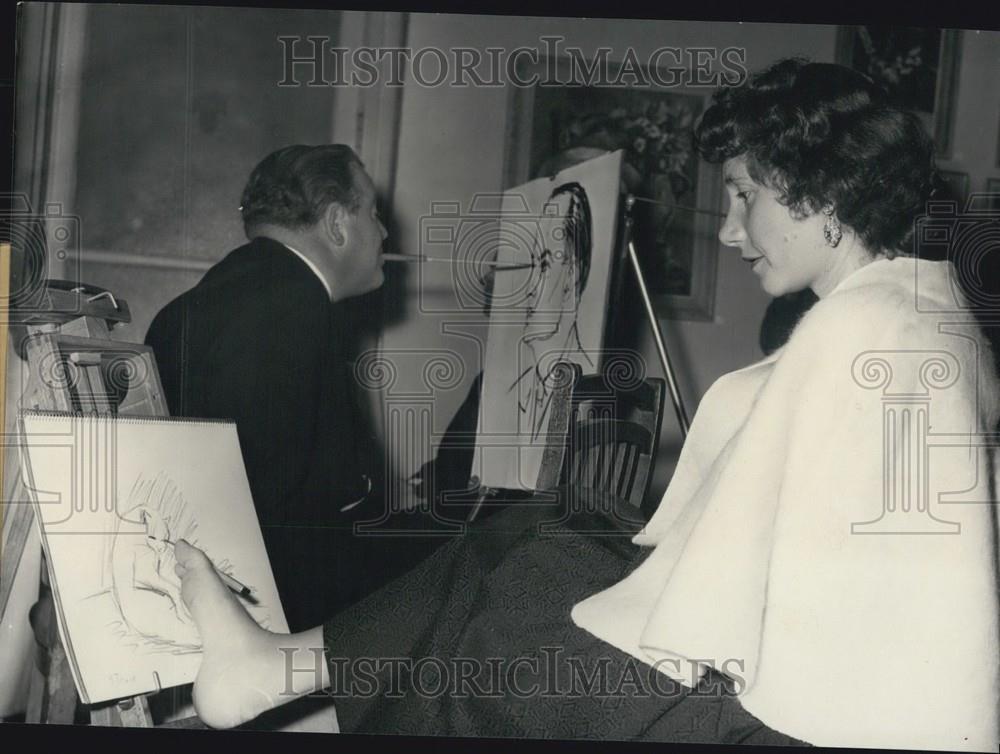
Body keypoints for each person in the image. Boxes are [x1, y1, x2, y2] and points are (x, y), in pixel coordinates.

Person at [170, 60, 999, 750]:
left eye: (747, 195)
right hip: (800, 678)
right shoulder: (912, 309)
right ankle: (278, 676)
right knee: (534, 538)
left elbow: (760, 596)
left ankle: (292, 691)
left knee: (521, 601)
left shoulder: (869, 327)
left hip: (797, 716)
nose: (730, 229)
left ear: (816, 191)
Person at [145, 145, 416, 632]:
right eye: (373, 214)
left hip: (184, 592)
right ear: (336, 224)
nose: (384, 232)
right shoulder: (296, 307)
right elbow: (283, 512)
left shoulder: (198, 302)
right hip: (269, 616)